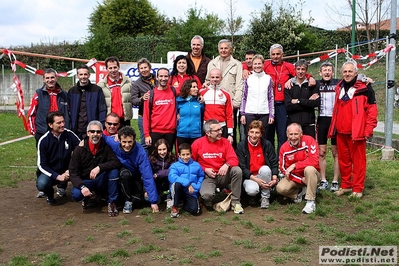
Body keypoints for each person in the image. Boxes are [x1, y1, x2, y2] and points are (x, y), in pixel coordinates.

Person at [243, 44, 315, 155]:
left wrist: (310, 77)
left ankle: (281, 159)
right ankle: (269, 158)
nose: (275, 56)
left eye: (278, 54)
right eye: (273, 54)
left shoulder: (288, 66)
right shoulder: (265, 65)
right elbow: (251, 65)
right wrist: (244, 69)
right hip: (267, 107)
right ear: (270, 55)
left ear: (282, 54)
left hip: (282, 105)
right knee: (267, 134)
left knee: (282, 134)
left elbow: (300, 71)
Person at [328, 61, 378, 198]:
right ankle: (346, 185)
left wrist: (368, 130)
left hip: (357, 132)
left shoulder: (365, 88)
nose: (347, 74)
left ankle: (358, 189)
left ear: (356, 73)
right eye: (345, 71)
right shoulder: (339, 87)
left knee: (359, 162)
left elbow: (372, 111)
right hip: (340, 132)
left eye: (350, 71)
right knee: (344, 161)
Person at [69, 120, 122, 217]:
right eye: (92, 131)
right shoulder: (79, 149)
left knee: (114, 172)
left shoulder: (106, 147)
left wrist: (99, 167)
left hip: (100, 179)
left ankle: (112, 202)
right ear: (87, 133)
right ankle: (87, 197)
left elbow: (116, 162)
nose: (95, 134)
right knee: (76, 195)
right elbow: (73, 172)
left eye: (98, 132)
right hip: (85, 181)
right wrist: (82, 187)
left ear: (102, 134)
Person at [191, 119, 244, 214]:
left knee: (237, 170)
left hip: (223, 175)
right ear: (208, 133)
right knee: (207, 195)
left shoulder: (225, 142)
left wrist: (227, 165)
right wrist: (204, 169)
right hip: (207, 177)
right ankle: (207, 199)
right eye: (217, 130)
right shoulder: (197, 143)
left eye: (221, 129)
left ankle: (235, 202)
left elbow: (234, 159)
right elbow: (191, 163)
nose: (220, 132)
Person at [102, 126, 159, 214]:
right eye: (124, 142)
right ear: (119, 140)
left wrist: (153, 201)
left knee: (143, 198)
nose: (127, 145)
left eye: (130, 142)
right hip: (123, 173)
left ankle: (138, 196)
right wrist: (84, 140)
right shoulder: (114, 143)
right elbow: (100, 135)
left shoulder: (141, 152)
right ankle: (127, 201)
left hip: (136, 176)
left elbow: (147, 175)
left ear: (134, 140)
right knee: (124, 174)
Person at [36, 111, 80, 204]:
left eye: (63, 122)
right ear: (50, 125)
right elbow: (41, 165)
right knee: (42, 183)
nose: (62, 124)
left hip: (68, 170)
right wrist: (57, 176)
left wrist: (70, 169)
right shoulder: (44, 140)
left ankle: (83, 196)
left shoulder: (69, 134)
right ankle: (50, 194)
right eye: (59, 123)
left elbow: (80, 151)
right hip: (51, 172)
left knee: (86, 172)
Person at [206, 39, 243, 148]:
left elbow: (239, 84)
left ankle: (231, 156)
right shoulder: (212, 63)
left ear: (230, 49)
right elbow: (207, 80)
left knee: (230, 133)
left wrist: (236, 102)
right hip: (214, 103)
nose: (223, 50)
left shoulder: (236, 64)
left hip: (230, 103)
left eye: (226, 48)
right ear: (218, 49)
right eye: (221, 48)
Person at [277, 123, 320, 214]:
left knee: (309, 169)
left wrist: (295, 165)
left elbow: (314, 161)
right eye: (291, 134)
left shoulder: (310, 141)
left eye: (296, 134)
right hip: (296, 178)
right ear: (287, 134)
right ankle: (299, 193)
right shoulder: (284, 148)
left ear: (301, 133)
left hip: (312, 174)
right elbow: (284, 169)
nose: (293, 137)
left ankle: (310, 201)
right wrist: (300, 180)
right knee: (280, 188)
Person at [236, 120, 278, 209]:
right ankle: (253, 196)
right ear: (248, 132)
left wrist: (274, 178)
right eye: (251, 132)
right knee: (252, 190)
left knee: (266, 169)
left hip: (263, 175)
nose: (254, 135)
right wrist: (255, 179)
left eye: (257, 133)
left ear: (261, 134)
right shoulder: (241, 146)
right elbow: (242, 167)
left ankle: (265, 197)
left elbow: (274, 162)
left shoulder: (267, 144)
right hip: (250, 177)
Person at [28, 68, 70, 144]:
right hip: (43, 131)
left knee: (61, 155)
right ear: (43, 79)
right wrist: (33, 130)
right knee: (44, 155)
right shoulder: (38, 94)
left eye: (52, 77)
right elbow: (31, 113)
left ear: (56, 78)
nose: (50, 80)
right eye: (47, 78)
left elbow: (69, 113)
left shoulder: (64, 95)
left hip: (60, 131)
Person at [316, 62, 340, 191]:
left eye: (329, 70)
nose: (326, 72)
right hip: (322, 120)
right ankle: (323, 180)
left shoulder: (338, 83)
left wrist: (365, 78)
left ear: (332, 72)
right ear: (320, 73)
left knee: (336, 152)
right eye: (324, 70)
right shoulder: (316, 84)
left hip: (336, 120)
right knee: (322, 152)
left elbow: (354, 78)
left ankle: (335, 181)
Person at [240, 54, 274, 140]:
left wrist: (271, 115)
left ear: (263, 65)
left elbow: (270, 97)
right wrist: (243, 114)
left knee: (263, 138)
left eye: (259, 64)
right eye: (255, 64)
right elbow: (244, 97)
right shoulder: (248, 78)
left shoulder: (268, 78)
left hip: (264, 113)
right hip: (249, 113)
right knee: (250, 137)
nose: (257, 66)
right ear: (252, 65)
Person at [143, 68, 177, 154]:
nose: (163, 78)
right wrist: (147, 135)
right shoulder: (150, 94)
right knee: (154, 158)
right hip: (155, 132)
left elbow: (187, 92)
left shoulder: (174, 91)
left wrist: (201, 94)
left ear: (169, 77)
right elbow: (146, 116)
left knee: (168, 158)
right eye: (161, 76)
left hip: (170, 132)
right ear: (157, 78)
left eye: (166, 76)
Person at [68, 64, 107, 139]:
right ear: (77, 76)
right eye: (81, 74)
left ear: (89, 75)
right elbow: (68, 110)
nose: (83, 77)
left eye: (85, 74)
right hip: (76, 129)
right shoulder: (72, 91)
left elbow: (102, 109)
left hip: (92, 130)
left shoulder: (97, 90)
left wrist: (100, 125)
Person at [284, 59, 320, 138]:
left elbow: (315, 103)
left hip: (309, 123)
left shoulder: (312, 85)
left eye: (303, 69)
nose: (300, 72)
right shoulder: (289, 85)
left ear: (306, 70)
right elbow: (288, 106)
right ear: (295, 70)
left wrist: (298, 101)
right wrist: (307, 103)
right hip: (294, 123)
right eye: (298, 69)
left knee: (309, 147)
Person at [168, 143, 205, 218]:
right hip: (180, 190)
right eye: (183, 154)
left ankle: (185, 204)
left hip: (191, 191)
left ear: (191, 154)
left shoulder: (197, 165)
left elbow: (201, 176)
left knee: (195, 211)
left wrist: (197, 187)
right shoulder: (175, 166)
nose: (185, 157)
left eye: (187, 154)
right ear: (179, 155)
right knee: (176, 184)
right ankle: (175, 206)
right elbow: (172, 177)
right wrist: (187, 184)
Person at [200, 68, 234, 144]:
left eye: (217, 77)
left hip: (221, 127)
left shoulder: (226, 94)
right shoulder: (202, 92)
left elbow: (229, 115)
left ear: (221, 78)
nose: (215, 79)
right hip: (207, 127)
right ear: (209, 78)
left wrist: (230, 133)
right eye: (212, 77)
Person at [98, 56, 132, 127]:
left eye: (115, 67)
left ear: (118, 67)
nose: (113, 70)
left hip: (124, 120)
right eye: (110, 68)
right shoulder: (101, 85)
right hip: (110, 121)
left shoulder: (128, 82)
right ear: (106, 69)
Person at [131, 58, 157, 149]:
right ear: (138, 70)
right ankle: (144, 162)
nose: (144, 70)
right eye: (141, 68)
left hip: (158, 115)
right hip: (143, 116)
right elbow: (133, 100)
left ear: (150, 68)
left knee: (157, 141)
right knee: (145, 143)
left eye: (145, 67)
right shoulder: (136, 84)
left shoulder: (158, 79)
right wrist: (142, 99)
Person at [148, 138, 176, 209]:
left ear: (168, 149)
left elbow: (172, 170)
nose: (162, 152)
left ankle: (170, 198)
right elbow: (148, 173)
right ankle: (157, 195)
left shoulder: (172, 157)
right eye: (159, 150)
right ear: (156, 150)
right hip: (156, 182)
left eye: (164, 149)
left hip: (167, 181)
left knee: (173, 176)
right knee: (147, 198)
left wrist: (158, 174)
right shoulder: (151, 159)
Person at [176, 79, 204, 147]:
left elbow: (202, 116)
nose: (197, 89)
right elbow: (174, 115)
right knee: (183, 155)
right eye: (194, 87)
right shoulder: (179, 101)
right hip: (182, 134)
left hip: (196, 134)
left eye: (197, 87)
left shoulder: (199, 101)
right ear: (187, 88)